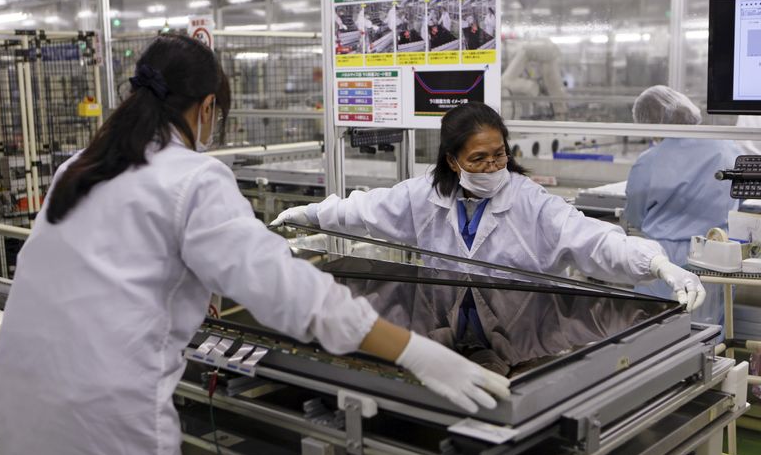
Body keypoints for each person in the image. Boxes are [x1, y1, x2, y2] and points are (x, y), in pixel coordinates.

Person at [0, 35, 508, 455]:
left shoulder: (77, 169)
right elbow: (296, 298)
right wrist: (417, 353)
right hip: (105, 420)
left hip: (21, 395)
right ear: (208, 106)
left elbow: (121, 268)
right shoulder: (192, 179)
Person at [273, 101, 706, 312]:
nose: (492, 165)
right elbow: (364, 211)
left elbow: (592, 239)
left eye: (498, 154)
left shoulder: (529, 200)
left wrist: (656, 264)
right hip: (441, 323)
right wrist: (308, 214)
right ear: (452, 160)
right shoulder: (423, 194)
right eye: (479, 159)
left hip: (522, 325)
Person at [626, 85, 741, 327]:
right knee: (706, 338)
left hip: (662, 263)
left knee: (652, 338)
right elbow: (737, 201)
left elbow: (634, 216)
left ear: (651, 122)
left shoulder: (649, 161)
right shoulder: (728, 149)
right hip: (715, 257)